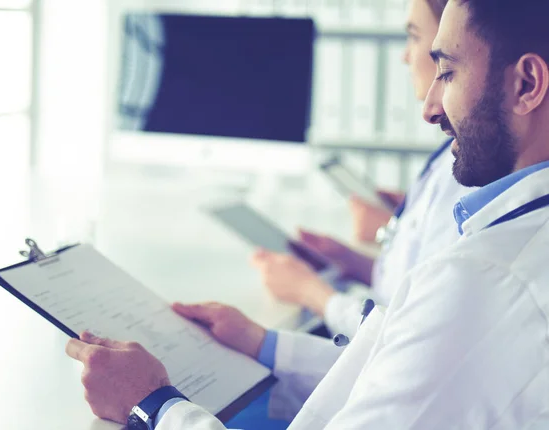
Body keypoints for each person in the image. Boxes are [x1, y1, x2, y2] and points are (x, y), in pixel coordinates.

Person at [66, 0, 549, 427]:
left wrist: (152, 404)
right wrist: (264, 344)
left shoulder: (483, 280)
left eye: (447, 72)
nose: (428, 109)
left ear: (527, 84)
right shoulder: (505, 249)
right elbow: (397, 369)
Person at [253, 0, 471, 337]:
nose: (404, 56)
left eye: (414, 37)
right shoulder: (454, 154)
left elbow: (405, 333)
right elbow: (414, 283)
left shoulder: (470, 175)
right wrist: (347, 260)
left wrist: (310, 292)